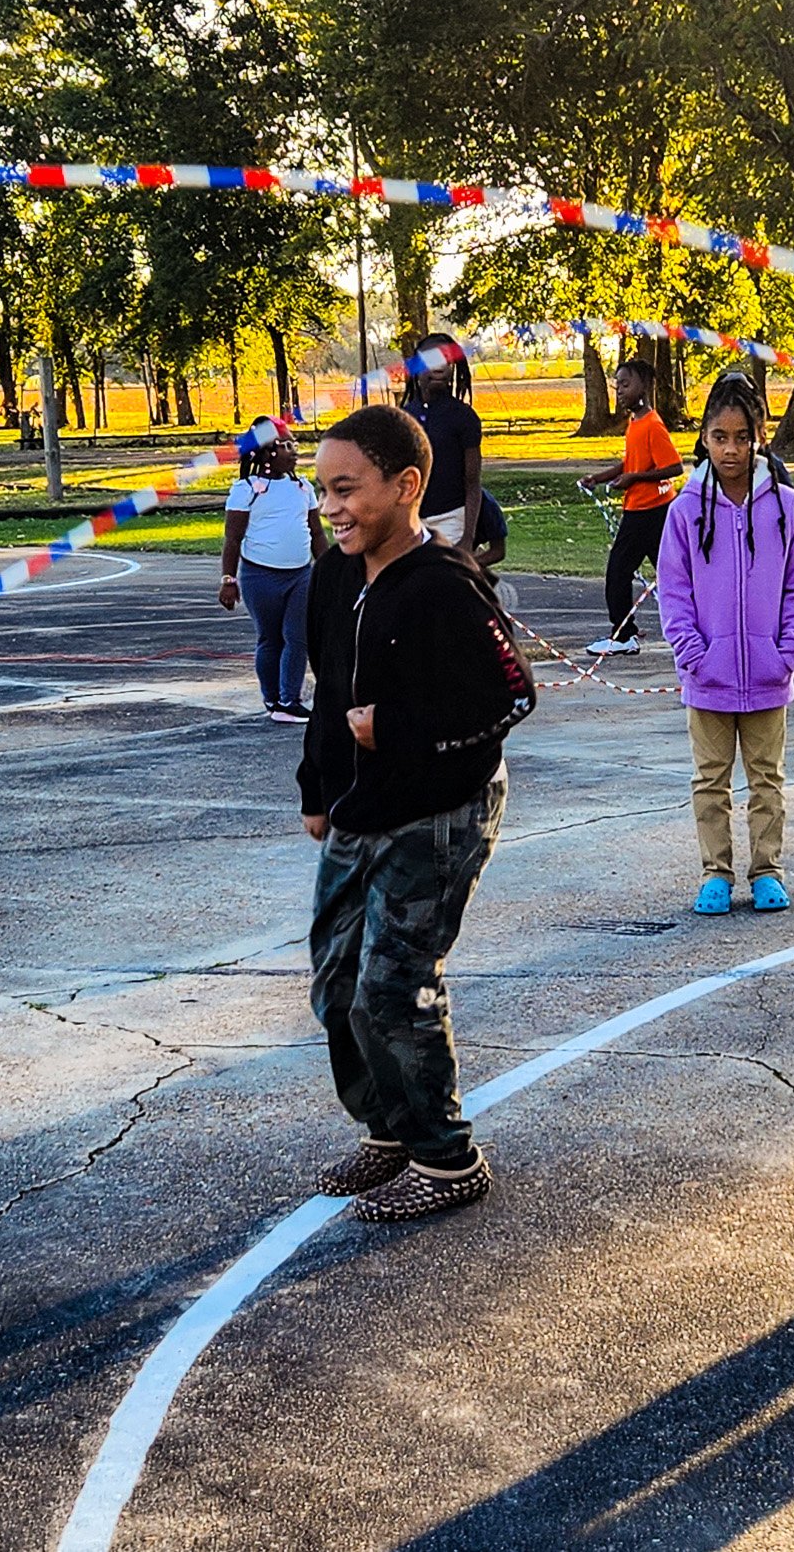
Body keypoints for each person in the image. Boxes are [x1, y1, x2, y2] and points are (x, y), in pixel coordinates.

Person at [298, 404, 536, 1222]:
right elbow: (329, 693)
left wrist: (395, 729)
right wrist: (315, 789)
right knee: (336, 985)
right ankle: (390, 1128)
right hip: (359, 806)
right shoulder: (333, 575)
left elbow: (509, 698)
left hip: (440, 808)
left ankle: (446, 1157)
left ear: (405, 487)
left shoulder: (446, 586)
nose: (331, 508)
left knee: (393, 987)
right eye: (322, 490)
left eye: (347, 490)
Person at [657, 376, 794, 917]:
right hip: (708, 676)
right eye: (719, 437)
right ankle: (715, 874)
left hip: (769, 675)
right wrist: (693, 654)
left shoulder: (787, 508)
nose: (731, 449)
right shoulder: (684, 512)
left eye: (742, 437)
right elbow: (673, 590)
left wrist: (788, 650)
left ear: (760, 437)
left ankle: (767, 870)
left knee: (768, 779)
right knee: (710, 781)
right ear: (704, 438)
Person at [218, 416, 328, 722]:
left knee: (298, 636)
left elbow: (317, 534)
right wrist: (228, 579)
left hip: (300, 575)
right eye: (287, 445)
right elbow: (233, 539)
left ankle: (288, 700)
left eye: (295, 445)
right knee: (270, 638)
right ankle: (272, 699)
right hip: (260, 577)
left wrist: (331, 568)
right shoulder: (248, 489)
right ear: (267, 452)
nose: (294, 451)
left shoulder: (302, 487)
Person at [582, 359, 683, 655]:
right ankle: (696, 625)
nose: (620, 391)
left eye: (625, 385)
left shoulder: (653, 424)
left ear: (645, 387)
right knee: (672, 574)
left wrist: (634, 479)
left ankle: (623, 636)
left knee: (618, 572)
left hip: (648, 512)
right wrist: (599, 478)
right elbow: (633, 462)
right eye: (617, 386)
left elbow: (674, 466)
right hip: (644, 510)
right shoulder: (635, 423)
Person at [401, 332, 484, 551]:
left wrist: (468, 537)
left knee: (443, 581)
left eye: (447, 362)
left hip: (451, 518)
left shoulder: (463, 417)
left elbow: (473, 481)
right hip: (411, 518)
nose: (440, 368)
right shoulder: (404, 416)